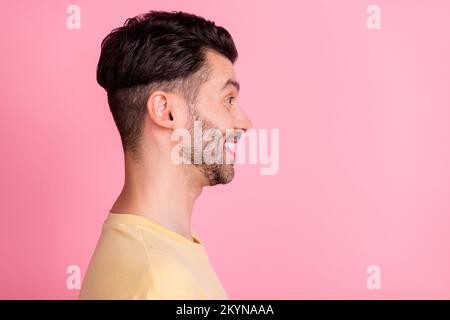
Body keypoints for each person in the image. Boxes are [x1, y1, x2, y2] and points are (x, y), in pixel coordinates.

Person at [79, 10, 252, 300]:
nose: (244, 122)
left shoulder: (155, 248)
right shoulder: (161, 281)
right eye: (228, 99)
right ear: (166, 111)